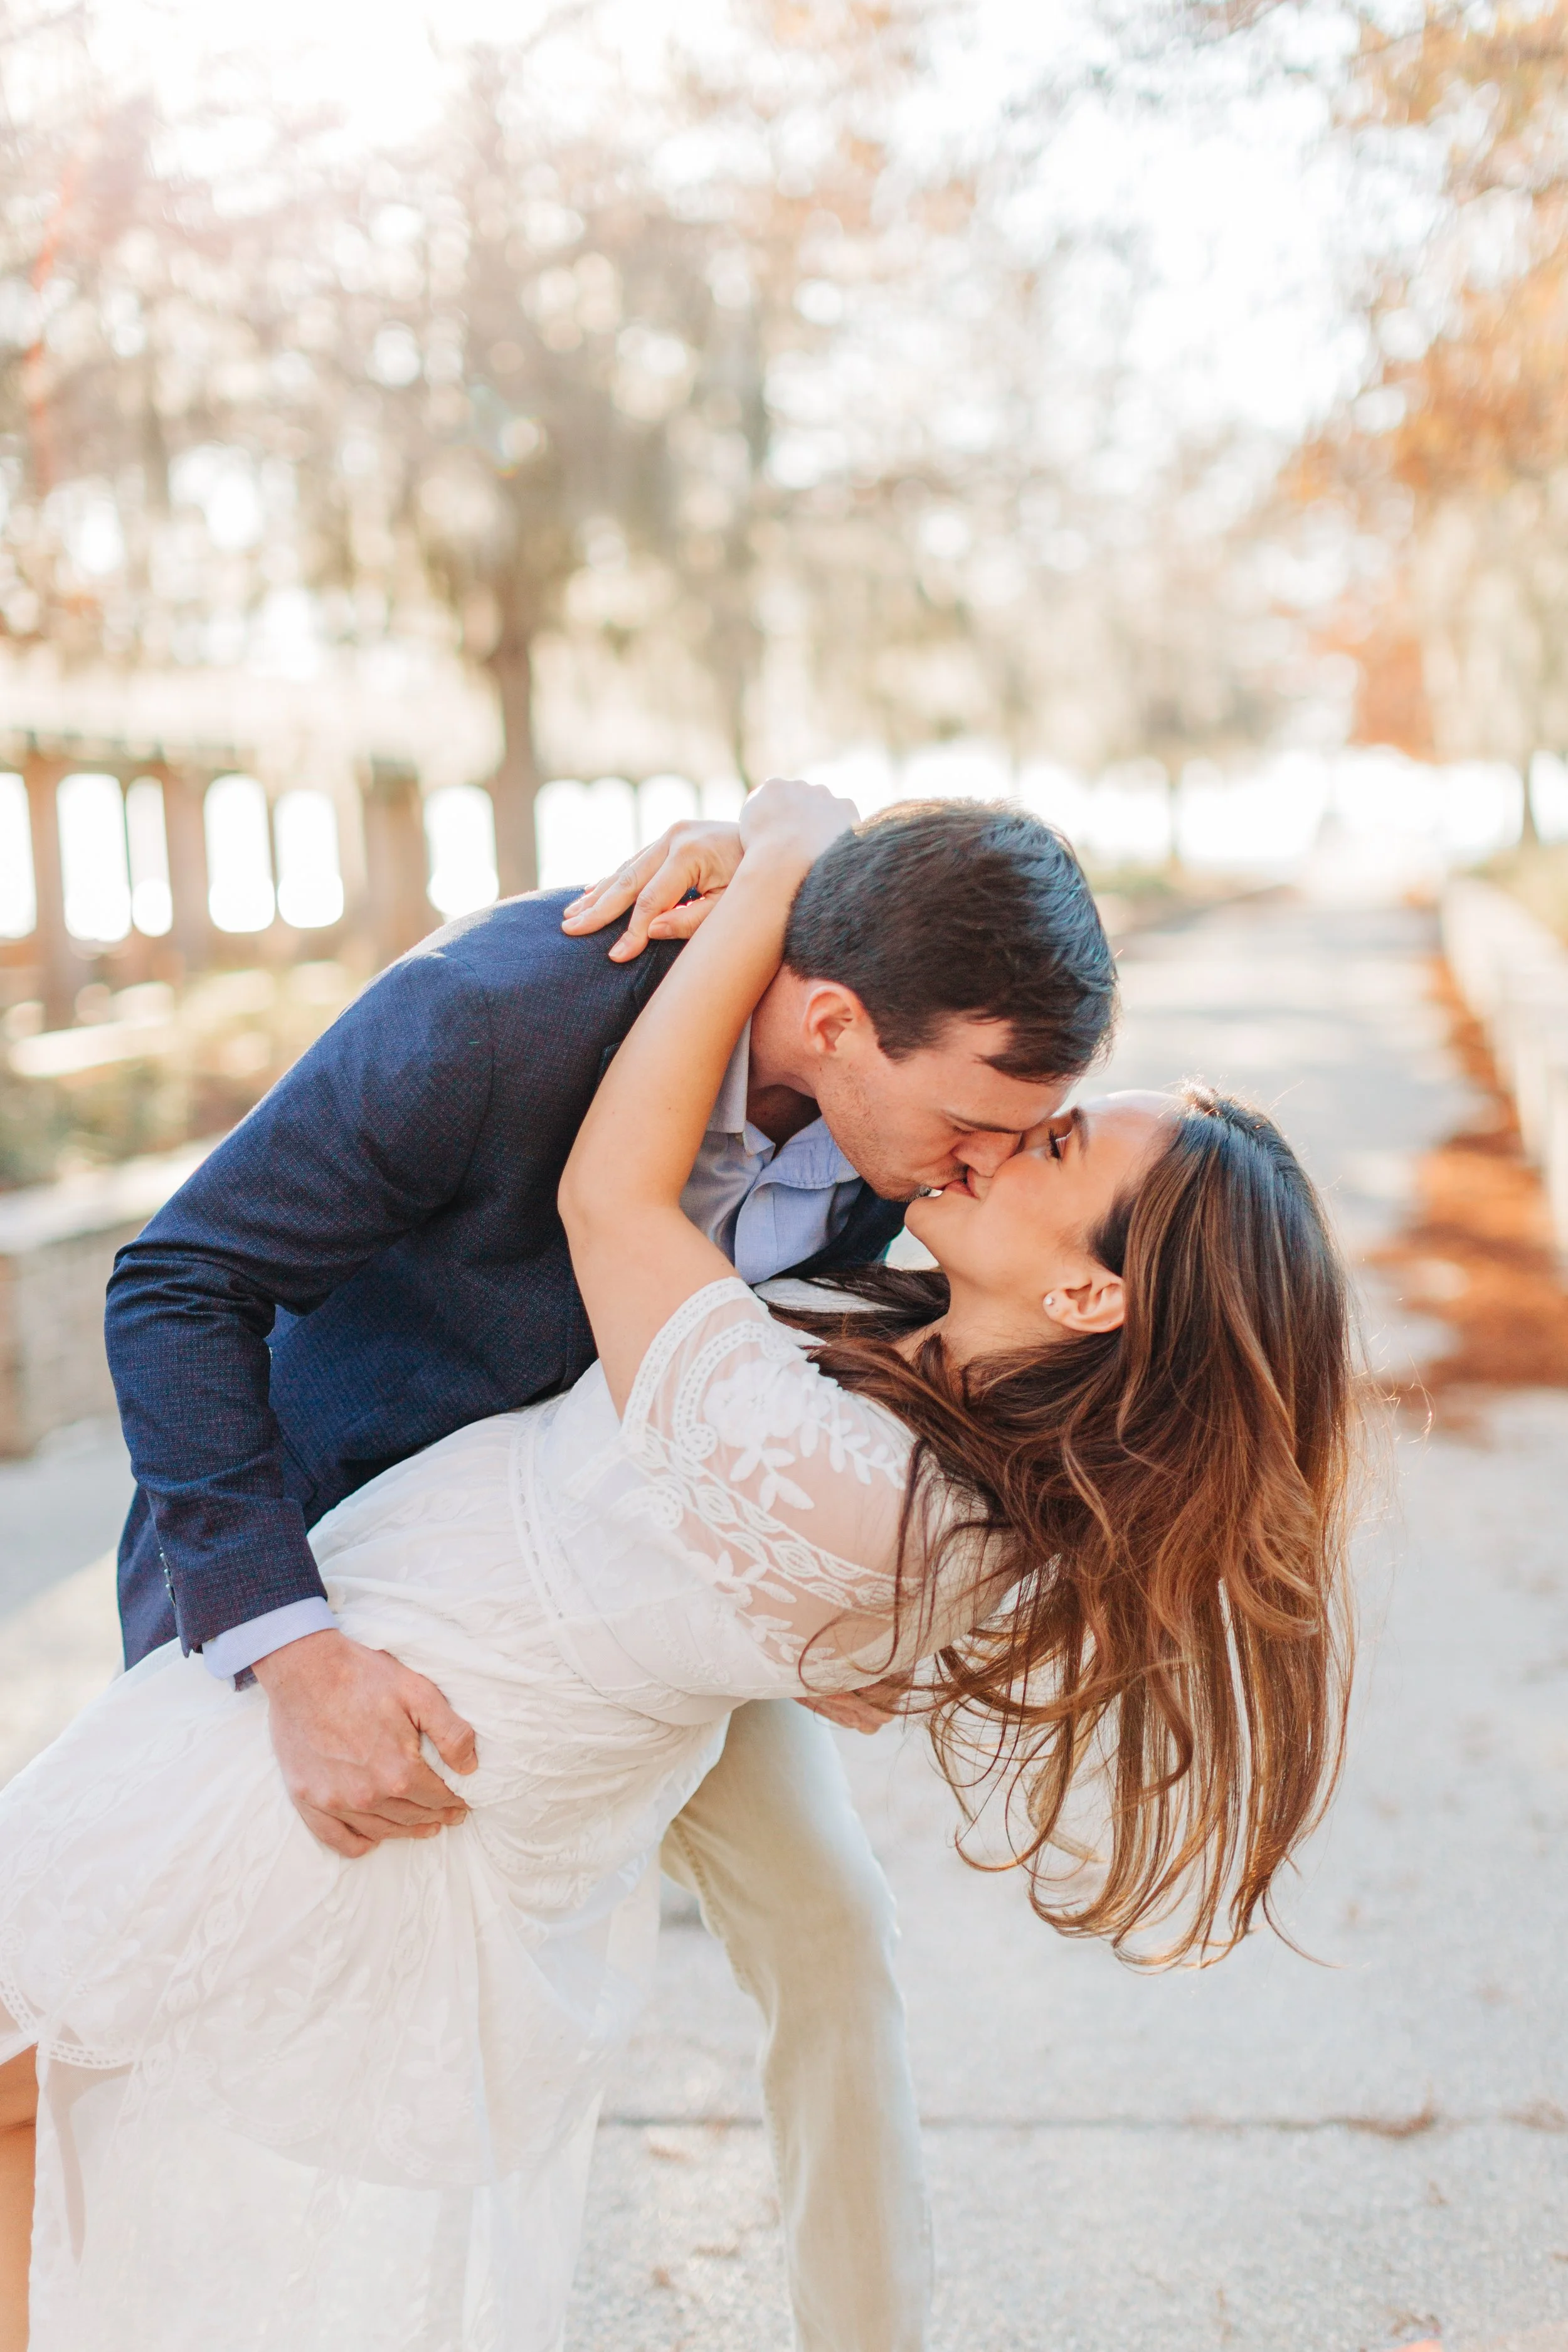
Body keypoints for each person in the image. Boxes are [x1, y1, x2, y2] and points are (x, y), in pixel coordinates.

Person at [0, 782, 1357, 2352]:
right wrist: (288, 1646)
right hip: (353, 1582)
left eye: (1033, 1133)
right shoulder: (504, 1017)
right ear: (838, 1023)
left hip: (589, 1630)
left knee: (830, 1928)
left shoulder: (905, 1165)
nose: (972, 1164)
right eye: (990, 1122)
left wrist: (843, 1622)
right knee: (95, 2085)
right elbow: (178, 1281)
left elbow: (719, 1282)